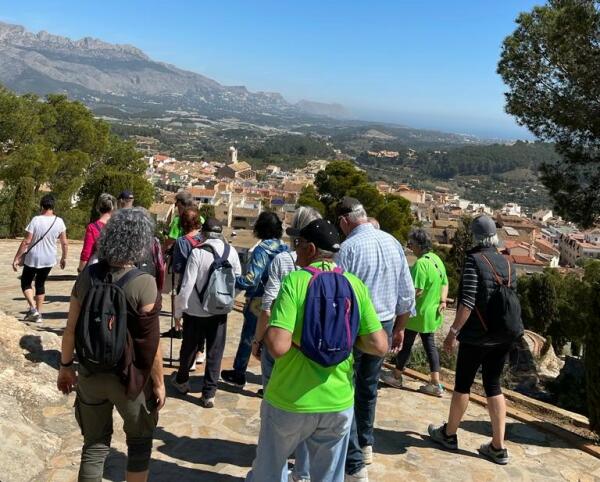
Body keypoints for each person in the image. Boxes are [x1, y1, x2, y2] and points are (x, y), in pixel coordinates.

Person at [246, 219, 388, 482]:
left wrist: (264, 337)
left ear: (311, 249)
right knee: (328, 476)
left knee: (270, 468)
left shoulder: (295, 282)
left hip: (290, 398)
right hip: (338, 400)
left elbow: (278, 346)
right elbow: (379, 345)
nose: (295, 248)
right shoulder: (355, 285)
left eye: (298, 243)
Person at [57, 207, 165, 482]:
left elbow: (70, 329)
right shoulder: (144, 284)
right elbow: (150, 344)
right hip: (129, 381)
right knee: (139, 443)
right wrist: (159, 383)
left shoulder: (86, 278)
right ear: (141, 242)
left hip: (91, 375)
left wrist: (66, 367)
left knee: (94, 445)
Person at [428, 215, 521, 466]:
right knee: (493, 385)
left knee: (463, 385)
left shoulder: (474, 261)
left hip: (476, 337)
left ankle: (448, 434)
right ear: (494, 237)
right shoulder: (509, 262)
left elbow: (467, 301)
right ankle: (498, 447)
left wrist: (452, 332)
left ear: (475, 236)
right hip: (502, 336)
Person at [334, 197, 415, 482]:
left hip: (356, 326)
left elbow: (339, 292)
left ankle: (353, 457)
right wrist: (400, 328)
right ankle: (365, 443)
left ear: (345, 221)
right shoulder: (392, 242)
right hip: (386, 322)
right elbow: (407, 292)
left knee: (347, 386)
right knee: (369, 387)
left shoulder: (348, 248)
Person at [251, 206, 321, 482]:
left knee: (274, 416)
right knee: (307, 410)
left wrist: (258, 341)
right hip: (313, 349)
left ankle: (272, 472)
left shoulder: (284, 261)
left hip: (281, 346)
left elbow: (267, 308)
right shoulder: (335, 269)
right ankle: (302, 474)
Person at [170, 218, 242, 408]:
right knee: (215, 351)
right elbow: (237, 281)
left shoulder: (198, 252)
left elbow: (187, 284)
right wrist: (227, 300)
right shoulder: (231, 252)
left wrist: (178, 310)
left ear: (204, 233)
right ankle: (209, 393)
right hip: (219, 312)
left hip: (195, 311)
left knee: (189, 347)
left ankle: (182, 380)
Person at [221, 212, 288, 387]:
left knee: (249, 336)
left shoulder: (262, 249)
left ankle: (239, 373)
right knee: (273, 338)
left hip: (259, 300)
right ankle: (270, 381)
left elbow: (252, 278)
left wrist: (235, 278)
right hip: (280, 299)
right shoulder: (285, 248)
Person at [381, 228, 448, 397]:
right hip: (431, 314)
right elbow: (445, 283)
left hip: (416, 313)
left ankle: (396, 376)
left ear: (418, 245)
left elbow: (415, 291)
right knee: (430, 347)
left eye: (411, 244)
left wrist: (399, 307)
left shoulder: (420, 264)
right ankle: (435, 383)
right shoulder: (436, 260)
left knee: (405, 345)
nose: (410, 248)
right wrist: (443, 300)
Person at [12, 194, 68, 322]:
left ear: (42, 206)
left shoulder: (36, 220)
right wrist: (64, 258)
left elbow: (27, 241)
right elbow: (64, 242)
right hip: (49, 258)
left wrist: (17, 258)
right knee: (40, 283)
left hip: (33, 257)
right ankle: (39, 314)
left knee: (26, 281)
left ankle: (33, 309)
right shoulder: (59, 221)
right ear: (53, 206)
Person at [171, 206, 206, 368]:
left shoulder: (182, 242)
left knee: (189, 323)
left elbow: (178, 269)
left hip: (188, 285)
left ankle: (189, 359)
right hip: (204, 285)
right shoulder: (205, 239)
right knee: (201, 320)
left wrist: (177, 293)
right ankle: (200, 352)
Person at [78, 193, 117, 272]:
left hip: (96, 267)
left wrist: (80, 270)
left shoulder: (92, 228)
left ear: (98, 207)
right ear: (113, 208)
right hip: (115, 268)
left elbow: (86, 253)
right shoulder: (118, 226)